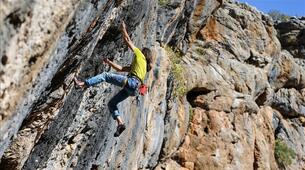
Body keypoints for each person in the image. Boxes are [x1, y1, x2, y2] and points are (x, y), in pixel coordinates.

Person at [74, 21, 153, 137]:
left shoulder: (140, 56)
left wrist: (123, 29)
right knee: (112, 104)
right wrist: (109, 62)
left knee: (105, 76)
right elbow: (121, 68)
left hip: (131, 82)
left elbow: (128, 40)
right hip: (134, 90)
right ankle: (120, 123)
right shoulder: (143, 68)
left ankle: (83, 84)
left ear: (143, 53)